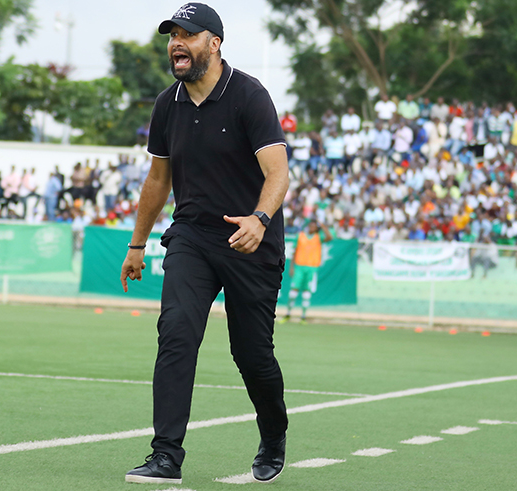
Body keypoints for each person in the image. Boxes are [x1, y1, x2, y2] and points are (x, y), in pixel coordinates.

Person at [120, 3, 290, 485]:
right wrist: (137, 245)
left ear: (213, 44)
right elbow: (158, 179)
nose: (177, 42)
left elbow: (278, 172)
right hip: (191, 237)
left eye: (188, 34)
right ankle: (166, 456)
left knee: (251, 353)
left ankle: (273, 432)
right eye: (172, 35)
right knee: (176, 332)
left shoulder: (249, 96)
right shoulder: (166, 103)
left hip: (250, 240)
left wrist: (260, 219)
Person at [280, 220, 332, 324]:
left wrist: (322, 226)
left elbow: (330, 238)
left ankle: (303, 316)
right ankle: (288, 314)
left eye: (314, 226)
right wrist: (291, 267)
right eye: (310, 226)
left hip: (311, 268)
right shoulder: (300, 236)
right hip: (299, 267)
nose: (311, 228)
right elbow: (294, 252)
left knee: (306, 293)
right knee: (293, 292)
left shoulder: (318, 237)